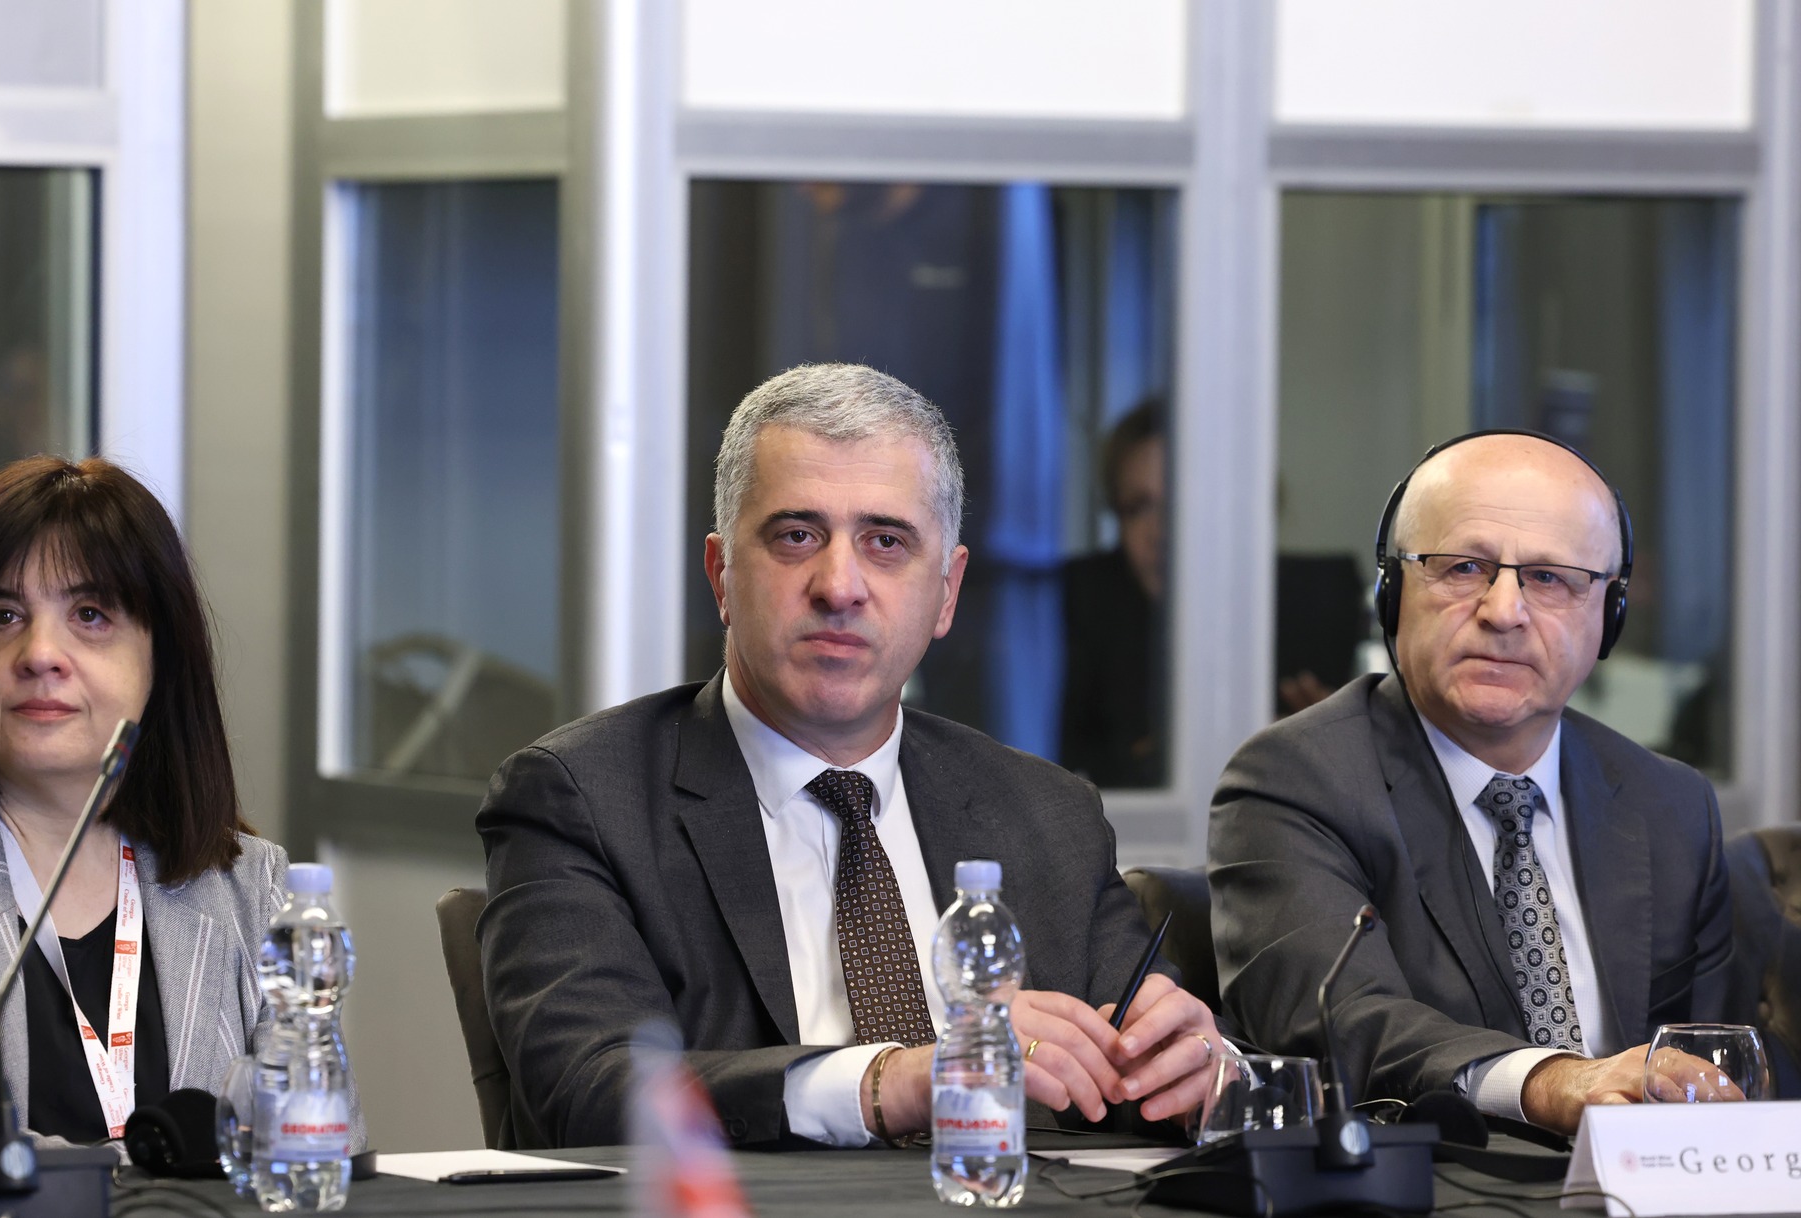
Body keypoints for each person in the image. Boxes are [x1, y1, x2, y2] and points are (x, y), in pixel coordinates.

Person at [478, 364, 1219, 1150]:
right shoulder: (582, 800)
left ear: (947, 592)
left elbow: (1142, 1074)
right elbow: (587, 1089)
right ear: (722, 575)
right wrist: (890, 1082)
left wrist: (1197, 1073)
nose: (839, 585)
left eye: (886, 542)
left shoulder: (1048, 813)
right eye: (796, 536)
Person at [0, 456, 353, 1171]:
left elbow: (321, 1146)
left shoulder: (253, 888)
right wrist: (168, 1168)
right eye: (2, 617)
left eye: (90, 615)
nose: (40, 654)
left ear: (160, 659)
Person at [1209, 431, 1732, 1136]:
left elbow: (1706, 1068)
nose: (1503, 611)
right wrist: (1550, 1082)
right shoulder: (1296, 781)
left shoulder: (1672, 807)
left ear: (1609, 615)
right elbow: (1339, 1026)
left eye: (1549, 577)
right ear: (1391, 593)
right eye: (1463, 567)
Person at [1060, 401, 1365, 788]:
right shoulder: (1083, 610)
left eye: (1183, 503)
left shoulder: (1319, 608)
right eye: (1138, 508)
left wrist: (1336, 747)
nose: (1161, 532)